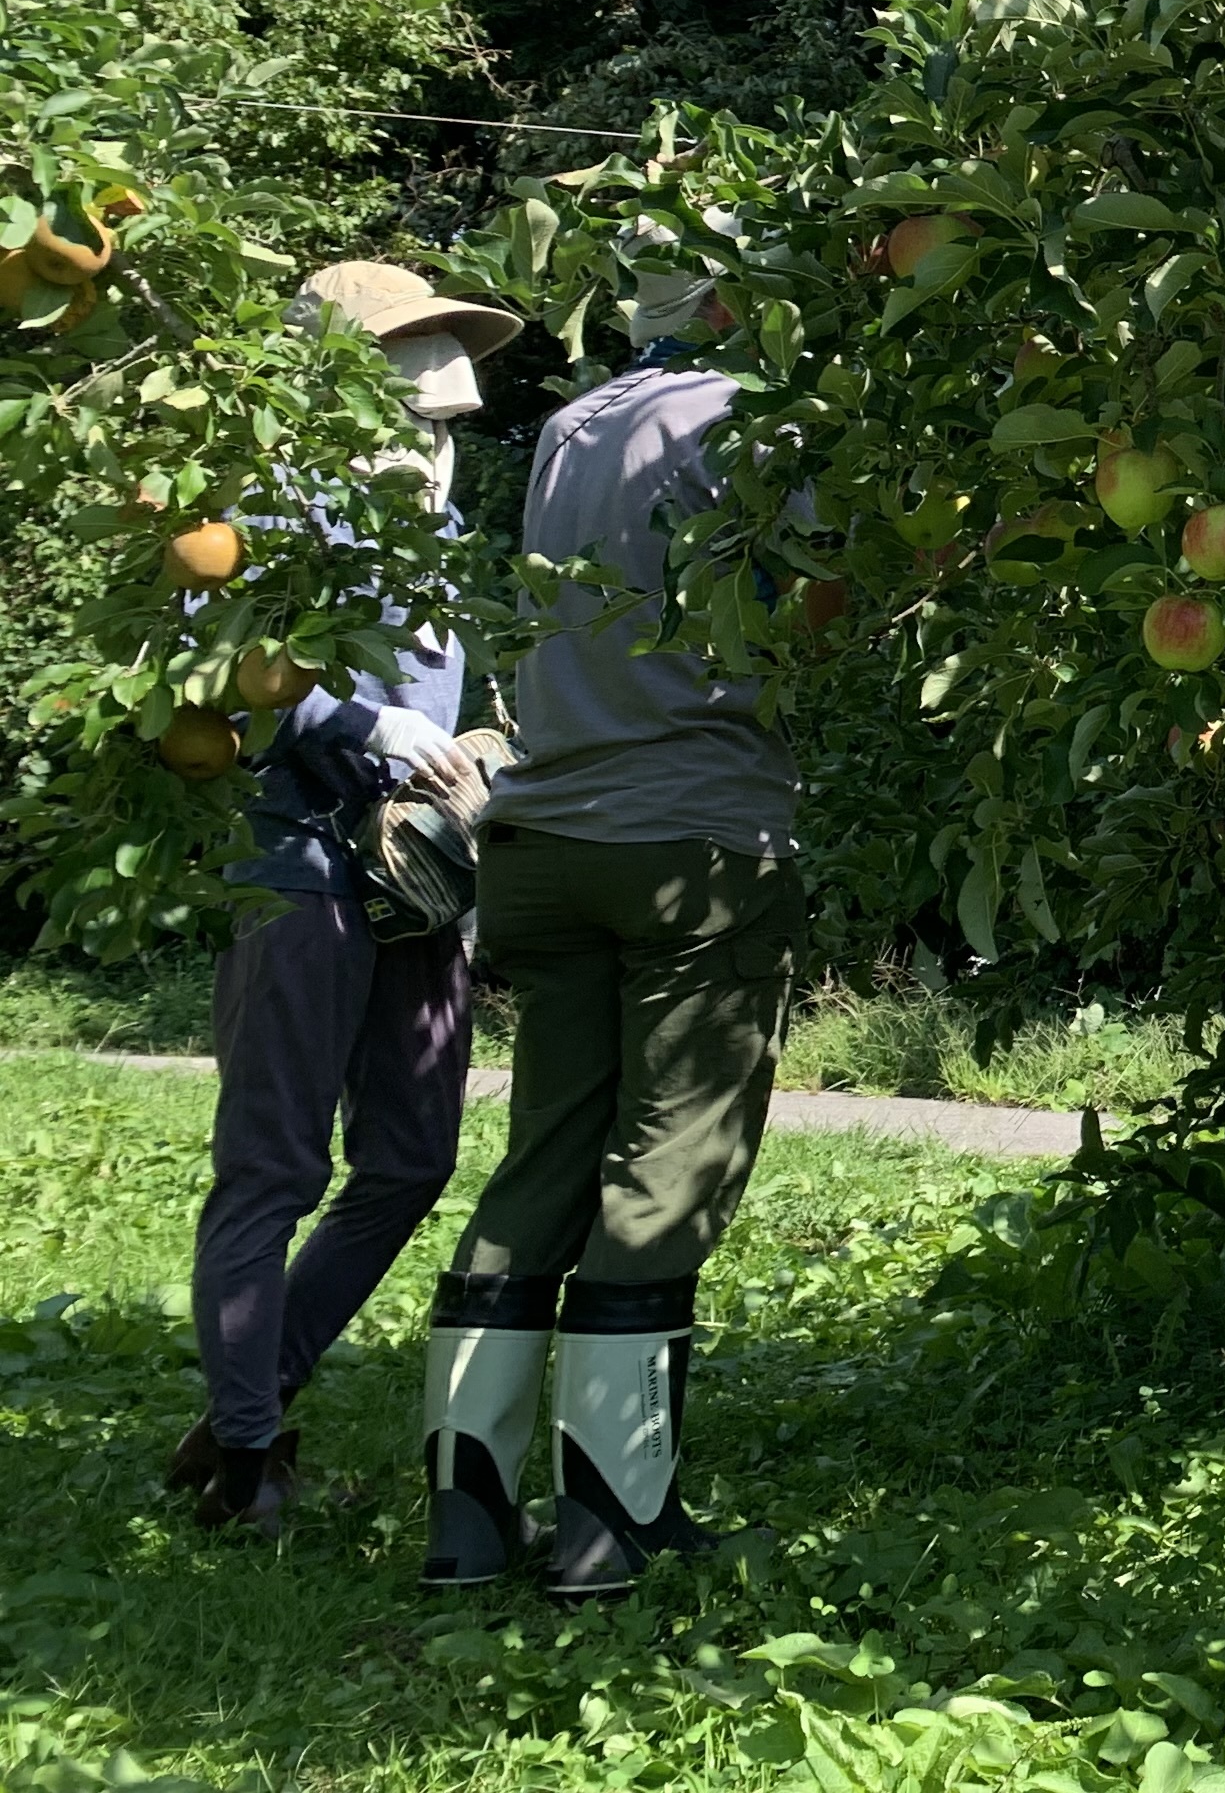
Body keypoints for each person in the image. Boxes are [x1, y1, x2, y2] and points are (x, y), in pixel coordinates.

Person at [420, 249, 804, 1598]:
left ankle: (467, 1516)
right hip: (689, 835)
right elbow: (818, 597)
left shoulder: (574, 426)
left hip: (544, 836)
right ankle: (609, 1517)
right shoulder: (757, 419)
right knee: (670, 1159)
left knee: (546, 1154)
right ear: (734, 309)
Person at [171, 259, 520, 1538]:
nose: (437, 395)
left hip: (414, 895)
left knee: (413, 1158)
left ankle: (244, 1405)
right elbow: (219, 666)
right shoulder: (273, 512)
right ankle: (251, 1461)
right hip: (300, 878)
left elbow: (428, 718)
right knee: (270, 1169)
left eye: (443, 362)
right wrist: (362, 722)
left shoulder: (436, 525)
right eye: (408, 355)